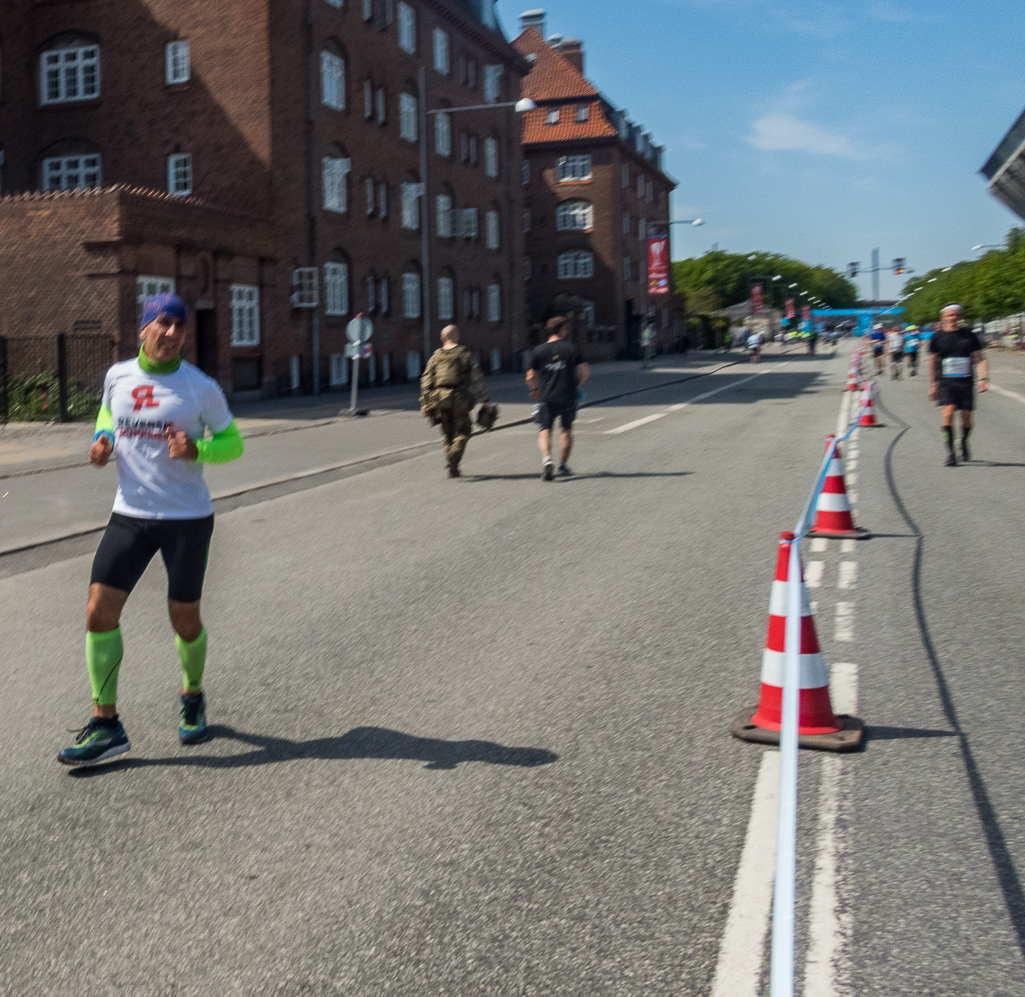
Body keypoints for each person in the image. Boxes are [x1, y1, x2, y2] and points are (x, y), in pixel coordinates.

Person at [58, 294, 245, 766]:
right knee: (99, 609)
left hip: (186, 520)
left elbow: (234, 443)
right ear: (143, 328)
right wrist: (102, 441)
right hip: (131, 514)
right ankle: (106, 724)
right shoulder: (117, 376)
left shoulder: (199, 386)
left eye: (179, 326)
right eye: (163, 323)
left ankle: (193, 694)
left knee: (184, 620)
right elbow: (108, 416)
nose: (173, 333)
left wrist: (199, 449)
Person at [420, 324, 489, 478]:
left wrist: (425, 402)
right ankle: (454, 454)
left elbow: (425, 380)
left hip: (439, 398)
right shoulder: (464, 354)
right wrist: (485, 399)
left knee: (448, 433)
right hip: (459, 398)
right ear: (457, 336)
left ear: (442, 338)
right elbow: (477, 377)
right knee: (464, 431)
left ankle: (452, 467)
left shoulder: (436, 356)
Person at [526, 316, 590, 480]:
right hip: (568, 395)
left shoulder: (538, 350)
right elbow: (585, 372)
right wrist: (576, 385)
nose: (567, 331)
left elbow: (530, 375)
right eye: (566, 328)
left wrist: (534, 389)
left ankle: (547, 460)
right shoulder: (571, 349)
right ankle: (562, 465)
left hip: (546, 397)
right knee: (566, 430)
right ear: (561, 330)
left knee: (545, 430)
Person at [929, 303, 988, 466]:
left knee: (966, 419)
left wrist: (983, 379)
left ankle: (963, 441)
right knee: (947, 415)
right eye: (949, 315)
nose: (953, 318)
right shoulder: (937, 337)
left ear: (960, 317)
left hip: (965, 383)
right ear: (943, 318)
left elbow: (980, 358)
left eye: (956, 315)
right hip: (946, 383)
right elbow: (932, 361)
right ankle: (950, 453)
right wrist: (933, 384)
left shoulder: (968, 335)